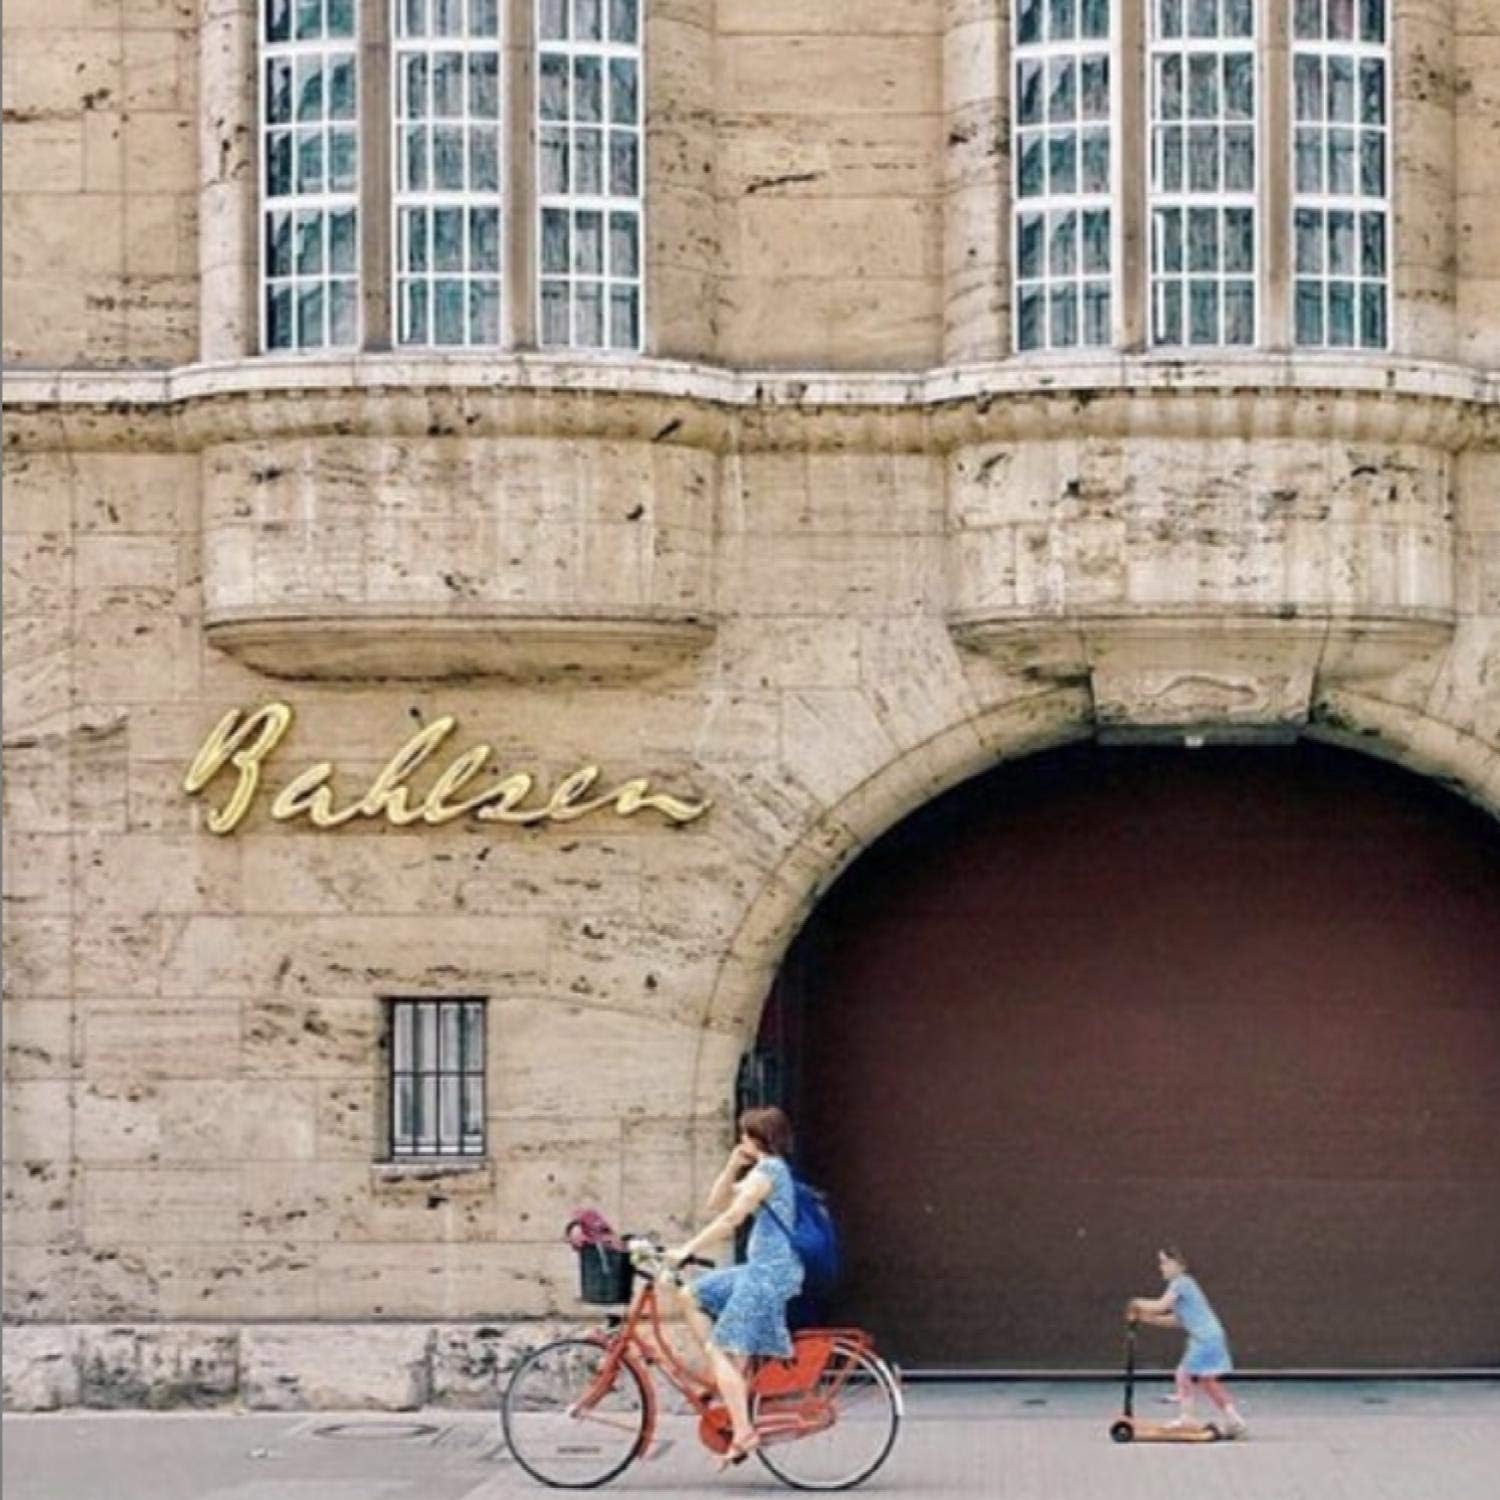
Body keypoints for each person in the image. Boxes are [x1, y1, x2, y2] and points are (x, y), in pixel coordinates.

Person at [668, 1105, 804, 1469]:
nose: (740, 1139)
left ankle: (743, 1432)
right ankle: (724, 1379)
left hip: (768, 1275)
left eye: (744, 1134)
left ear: (757, 1138)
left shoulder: (769, 1172)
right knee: (690, 1295)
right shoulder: (760, 1170)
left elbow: (731, 1219)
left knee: (721, 1347)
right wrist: (731, 1166)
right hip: (756, 1269)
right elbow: (716, 1203)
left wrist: (687, 1249)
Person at [1128, 1245, 1248, 1438]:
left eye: (1165, 1263)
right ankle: (1235, 1420)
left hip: (1205, 1338)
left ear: (1178, 1265)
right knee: (1208, 1380)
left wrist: (1135, 1303)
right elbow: (1176, 1320)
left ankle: (1187, 1417)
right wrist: (1144, 1317)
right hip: (1212, 1336)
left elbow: (1161, 1306)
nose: (1161, 1267)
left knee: (1183, 1374)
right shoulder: (1184, 1286)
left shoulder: (1181, 1283)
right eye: (1161, 1263)